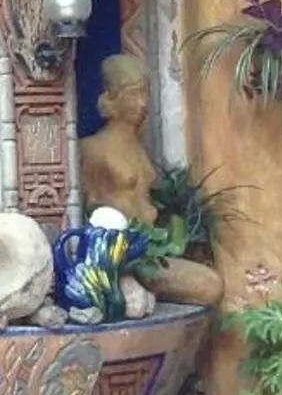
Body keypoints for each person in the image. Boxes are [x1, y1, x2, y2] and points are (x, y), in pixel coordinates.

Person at [76, 53, 223, 308]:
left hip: (152, 250)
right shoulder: (92, 149)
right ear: (112, 97)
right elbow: (85, 205)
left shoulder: (139, 147)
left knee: (209, 282)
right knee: (209, 285)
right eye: (133, 94)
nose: (142, 103)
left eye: (146, 94)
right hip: (122, 257)